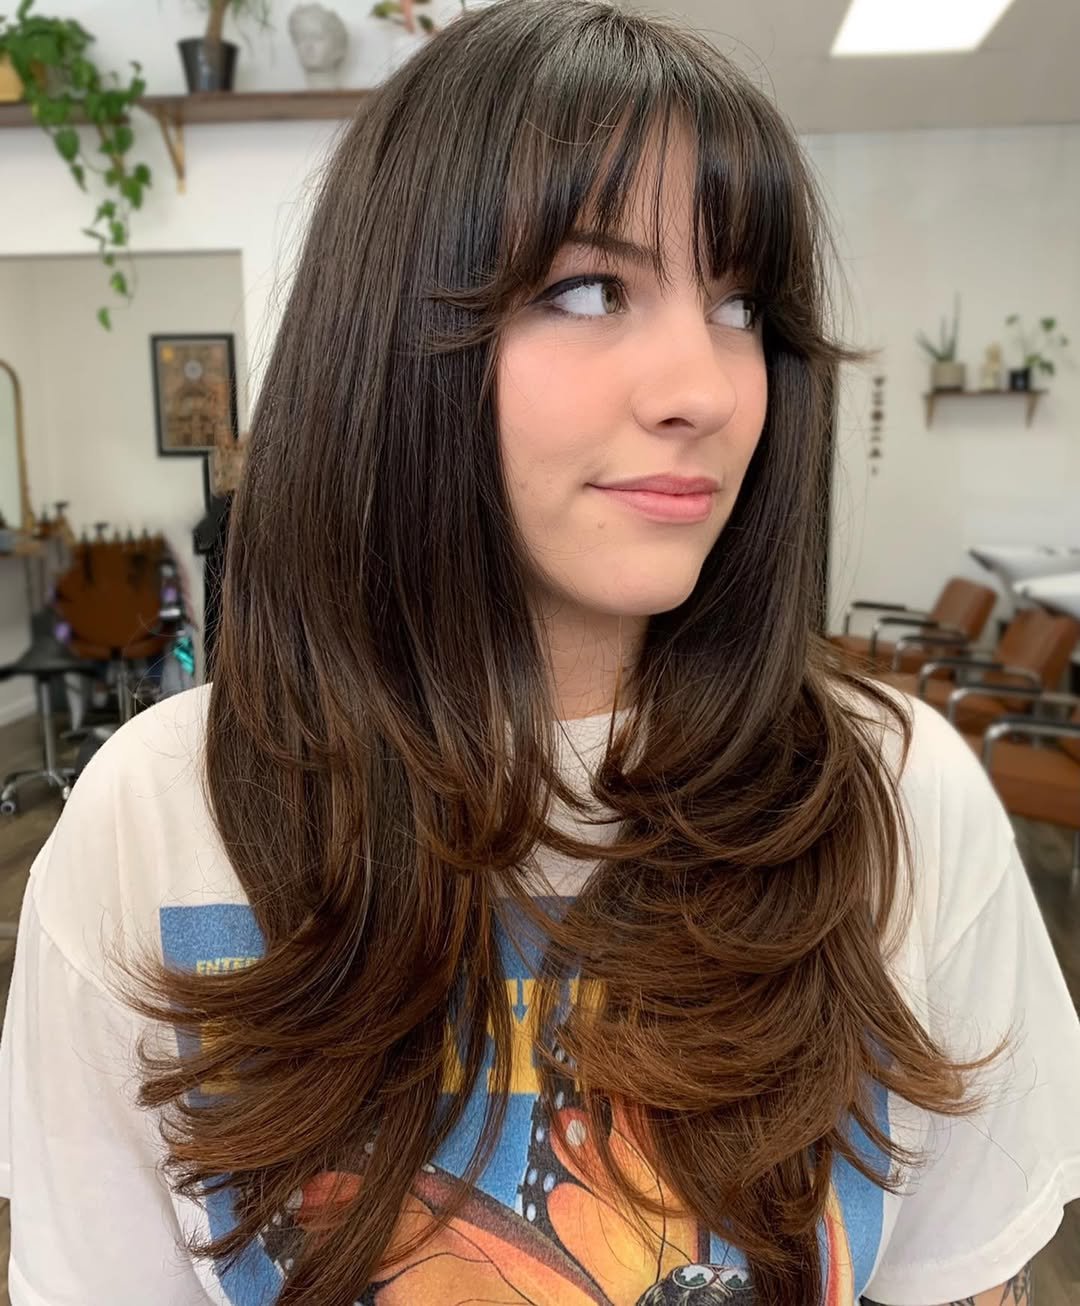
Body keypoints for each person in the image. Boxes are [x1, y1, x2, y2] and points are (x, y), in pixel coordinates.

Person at [1, 2, 1078, 1303]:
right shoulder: (158, 823)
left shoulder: (900, 797)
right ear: (389, 338)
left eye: (739, 303)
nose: (705, 388)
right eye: (588, 289)